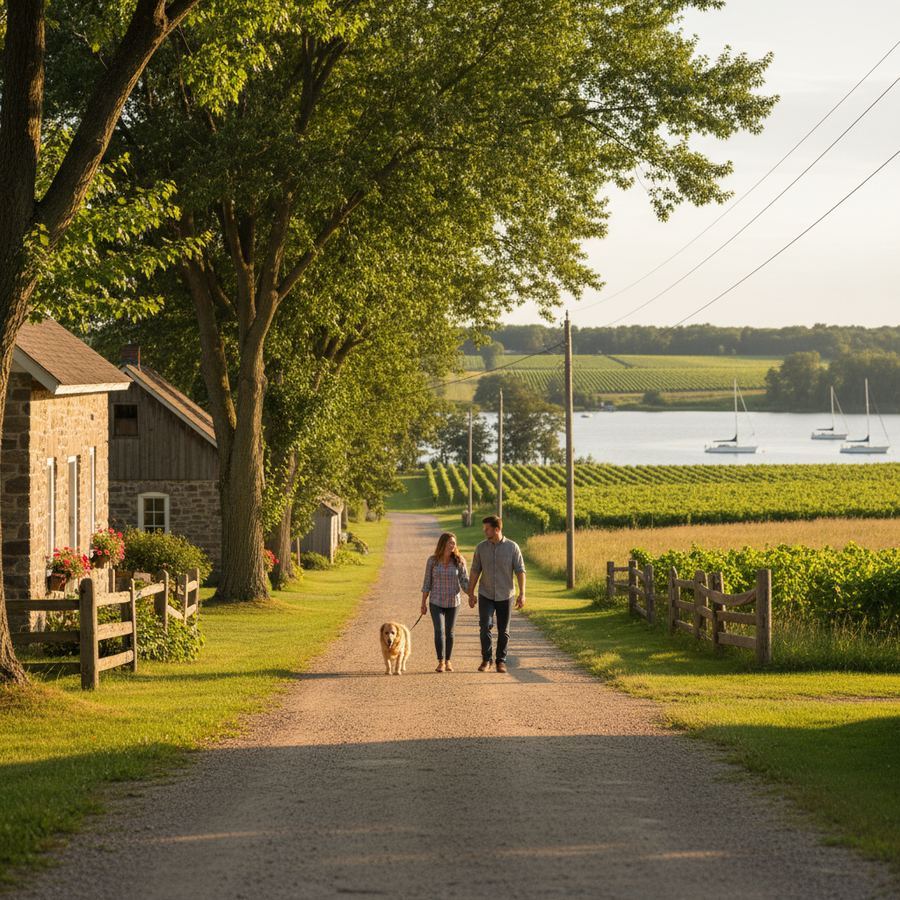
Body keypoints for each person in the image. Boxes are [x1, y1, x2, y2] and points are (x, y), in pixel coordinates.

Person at [467, 515, 525, 673]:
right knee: (484, 626)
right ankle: (486, 660)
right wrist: (470, 593)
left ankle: (501, 660)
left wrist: (522, 593)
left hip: (505, 594)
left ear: (497, 529)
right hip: (486, 593)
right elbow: (475, 571)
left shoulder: (512, 547)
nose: (484, 531)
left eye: (487, 529)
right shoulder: (481, 548)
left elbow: (520, 571)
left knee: (503, 630)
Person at [421, 532, 469, 673]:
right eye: (450, 543)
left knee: (450, 632)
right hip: (436, 601)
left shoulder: (459, 561)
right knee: (439, 630)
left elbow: (465, 582)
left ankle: (448, 661)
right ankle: (441, 661)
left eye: (454, 543)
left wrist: (471, 595)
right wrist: (423, 603)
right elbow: (427, 583)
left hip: (453, 602)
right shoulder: (432, 561)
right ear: (443, 544)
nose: (452, 545)